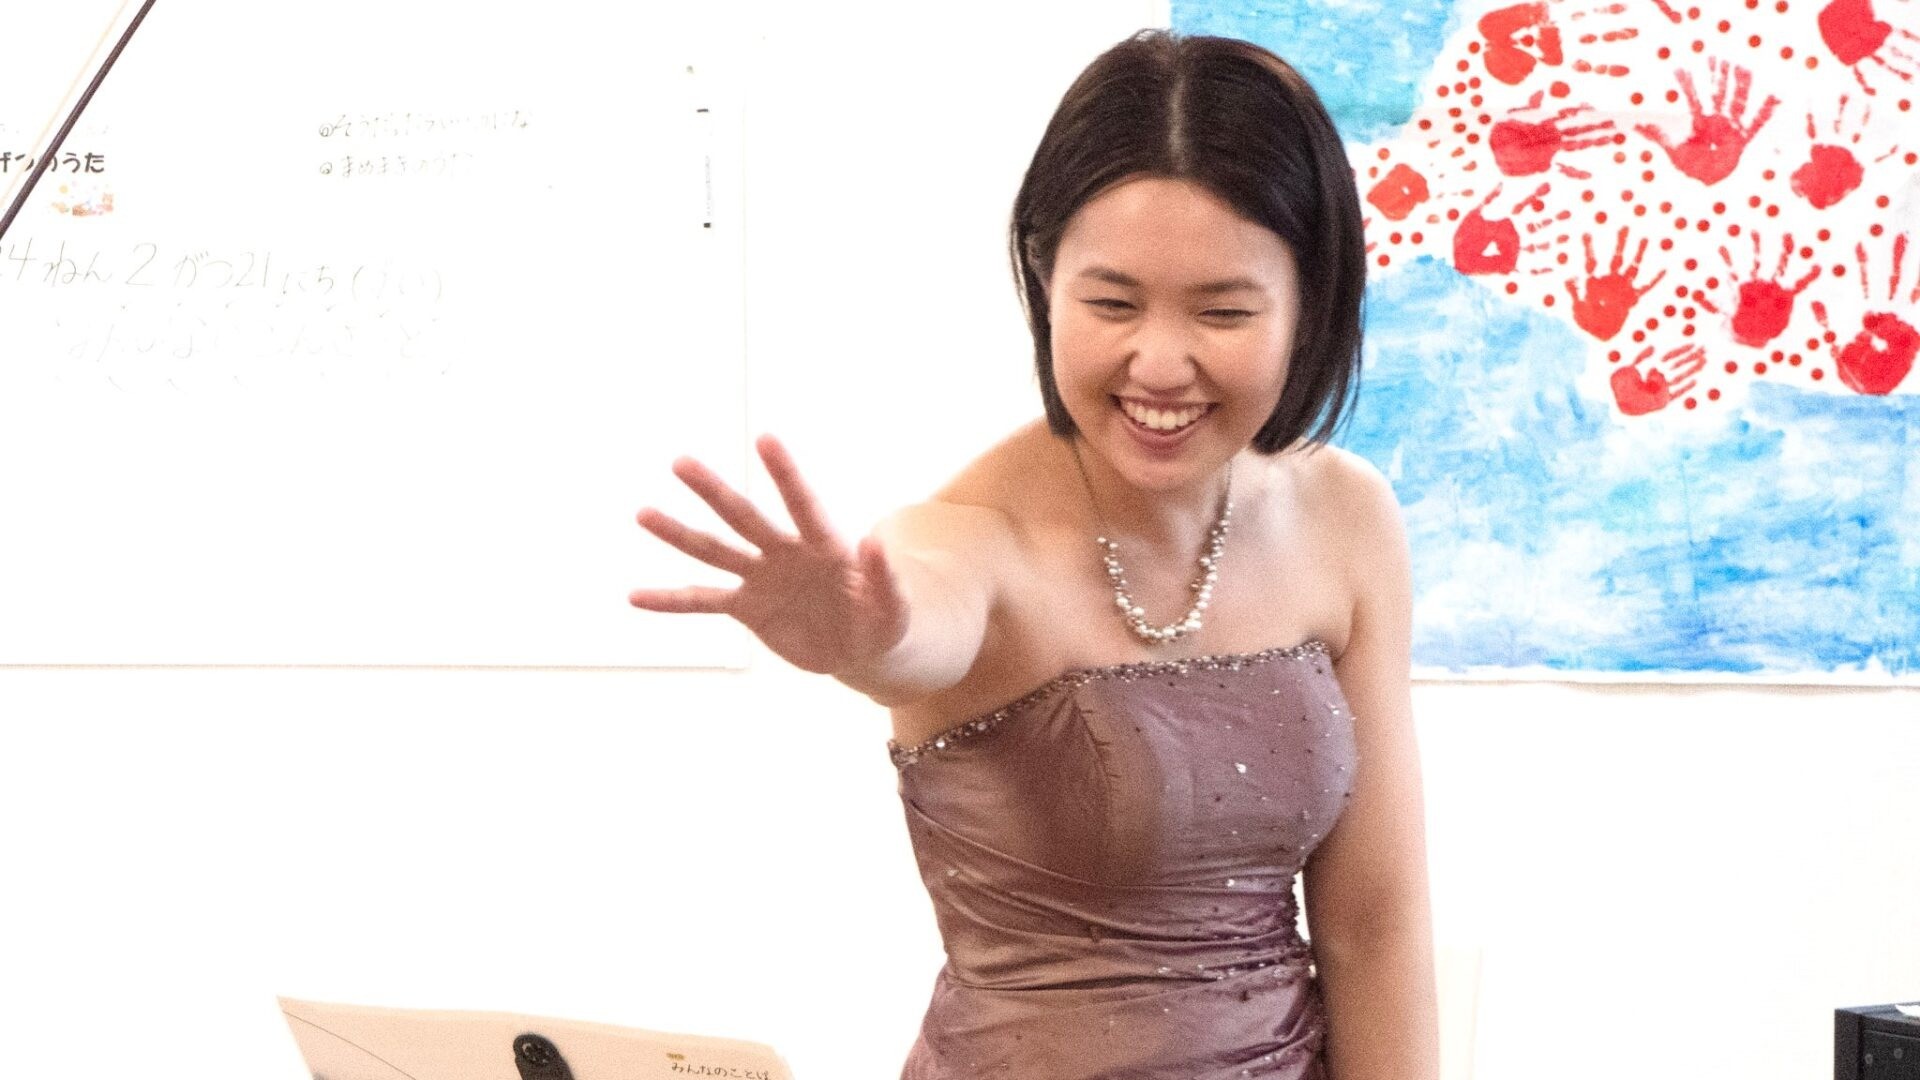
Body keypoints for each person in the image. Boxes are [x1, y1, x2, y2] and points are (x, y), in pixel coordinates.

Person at [629, 29, 1438, 1080]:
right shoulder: (972, 531)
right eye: (1111, 303)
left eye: (1223, 311)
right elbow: (921, 617)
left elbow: (1375, 926)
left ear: (1307, 305)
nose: (1160, 362)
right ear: (1046, 281)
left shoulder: (1346, 517)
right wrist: (866, 641)